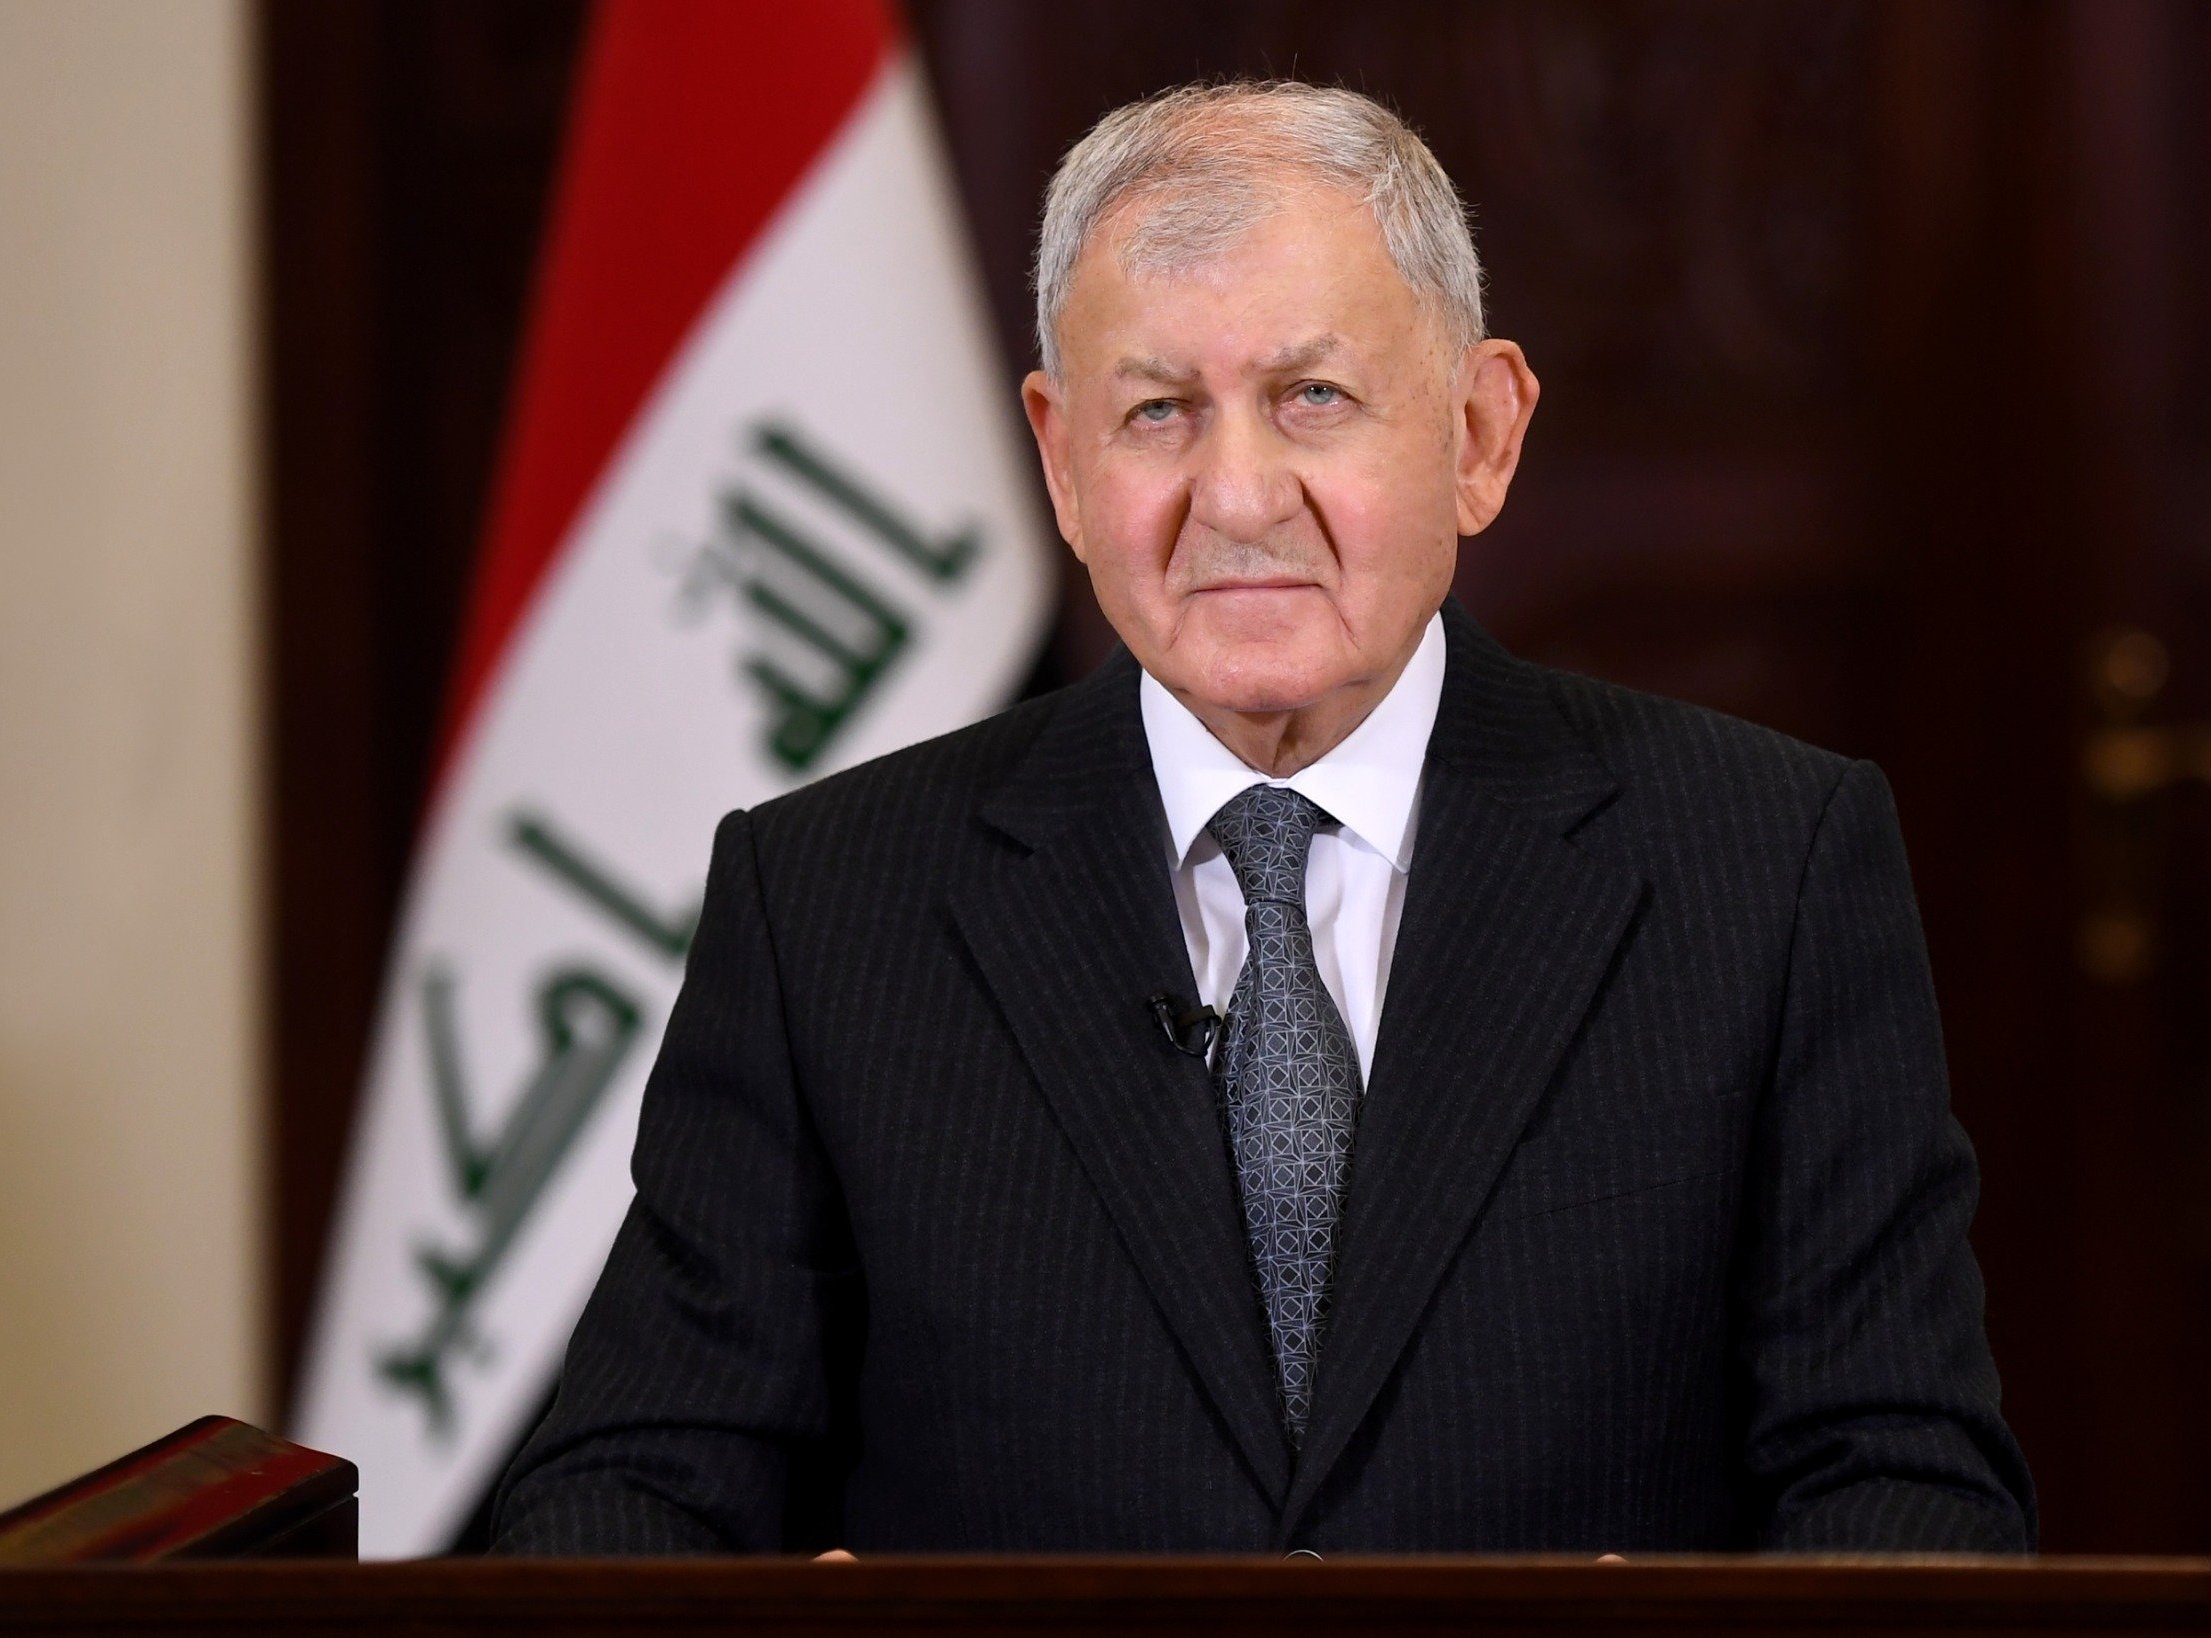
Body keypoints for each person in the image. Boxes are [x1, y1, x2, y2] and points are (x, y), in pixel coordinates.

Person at [492, 80, 2034, 1556]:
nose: (1236, 495)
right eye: (1159, 410)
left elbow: (1909, 1485)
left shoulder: (1766, 866)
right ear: (1062, 461)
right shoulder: (828, 903)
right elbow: (627, 1492)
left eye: (1313, 397)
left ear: (1480, 434)